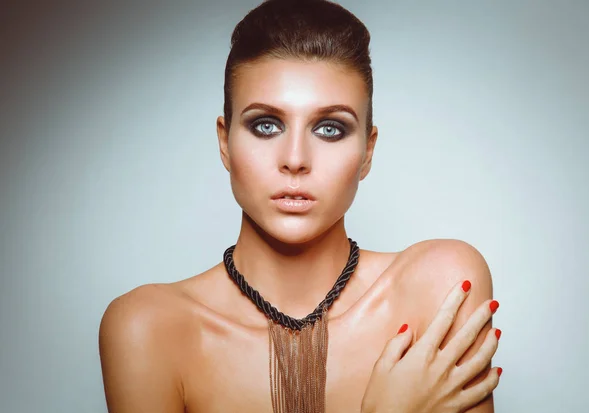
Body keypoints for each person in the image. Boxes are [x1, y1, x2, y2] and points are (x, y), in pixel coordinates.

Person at [99, 0, 501, 412]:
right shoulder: (149, 328)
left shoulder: (437, 285)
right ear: (225, 142)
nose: (295, 158)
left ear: (367, 151)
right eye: (266, 126)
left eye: (330, 129)